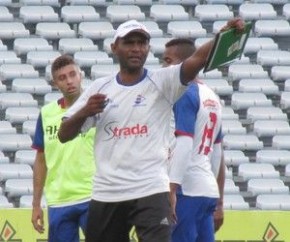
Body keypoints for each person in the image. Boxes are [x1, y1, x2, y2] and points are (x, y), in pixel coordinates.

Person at [57, 18, 244, 242]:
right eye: (129, 42)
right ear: (114, 47)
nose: (136, 48)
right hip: (107, 192)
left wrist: (222, 37)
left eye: (142, 42)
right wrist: (84, 111)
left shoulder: (163, 81)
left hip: (151, 190)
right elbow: (63, 134)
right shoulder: (101, 87)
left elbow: (196, 59)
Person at [162, 38, 225, 242]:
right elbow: (217, 152)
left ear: (176, 62)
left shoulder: (185, 92)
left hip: (186, 190)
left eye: (166, 60)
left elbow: (184, 142)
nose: (163, 66)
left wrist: (172, 189)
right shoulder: (212, 96)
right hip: (206, 189)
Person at [31, 54, 96, 242]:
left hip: (93, 196)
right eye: (62, 78)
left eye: (72, 74)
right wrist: (36, 204)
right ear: (54, 84)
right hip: (59, 201)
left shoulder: (97, 108)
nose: (69, 81)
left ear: (80, 75)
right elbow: (41, 160)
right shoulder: (46, 114)